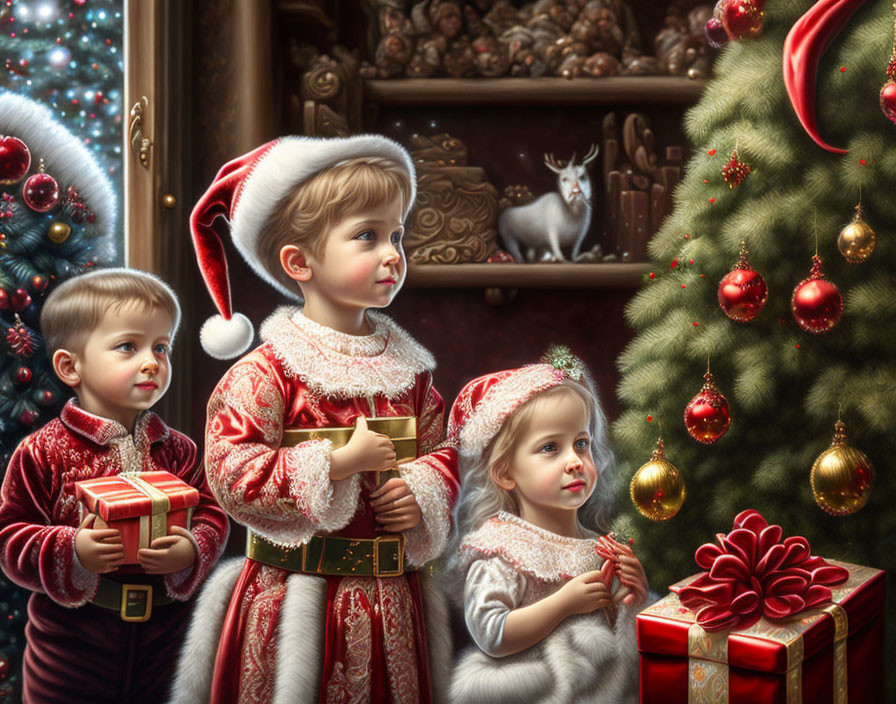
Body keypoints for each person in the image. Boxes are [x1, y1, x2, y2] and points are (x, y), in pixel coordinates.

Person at [172, 135, 459, 703]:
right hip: (293, 601)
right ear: (299, 261)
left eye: (396, 235)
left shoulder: (411, 372)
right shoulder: (267, 373)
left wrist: (421, 489)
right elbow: (232, 472)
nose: (392, 253)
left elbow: (446, 451)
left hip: (391, 604)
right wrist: (338, 462)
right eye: (367, 237)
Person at [0, 268, 230, 704]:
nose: (152, 362)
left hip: (168, 636)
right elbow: (10, 533)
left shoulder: (177, 449)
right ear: (71, 366)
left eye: (161, 347)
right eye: (128, 346)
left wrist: (193, 549)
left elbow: (211, 512)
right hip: (72, 642)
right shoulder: (42, 451)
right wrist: (72, 550)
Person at [445, 348, 648, 704]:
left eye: (581, 444)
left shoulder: (598, 546)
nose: (575, 461)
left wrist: (635, 594)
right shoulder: (502, 549)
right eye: (551, 448)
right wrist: (562, 604)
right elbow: (492, 633)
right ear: (505, 473)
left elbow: (619, 637)